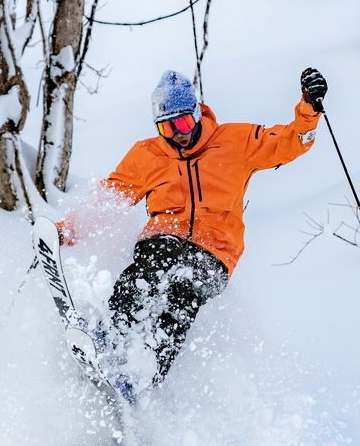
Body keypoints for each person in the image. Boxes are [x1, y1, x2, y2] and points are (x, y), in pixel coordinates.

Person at [58, 67, 329, 403]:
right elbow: (112, 196)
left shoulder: (235, 141)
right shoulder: (148, 155)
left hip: (216, 250)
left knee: (184, 292)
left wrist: (309, 107)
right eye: (167, 126)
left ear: (197, 113)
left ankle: (146, 377)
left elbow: (288, 143)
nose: (178, 134)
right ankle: (111, 338)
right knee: (155, 263)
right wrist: (65, 232)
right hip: (163, 237)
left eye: (184, 123)